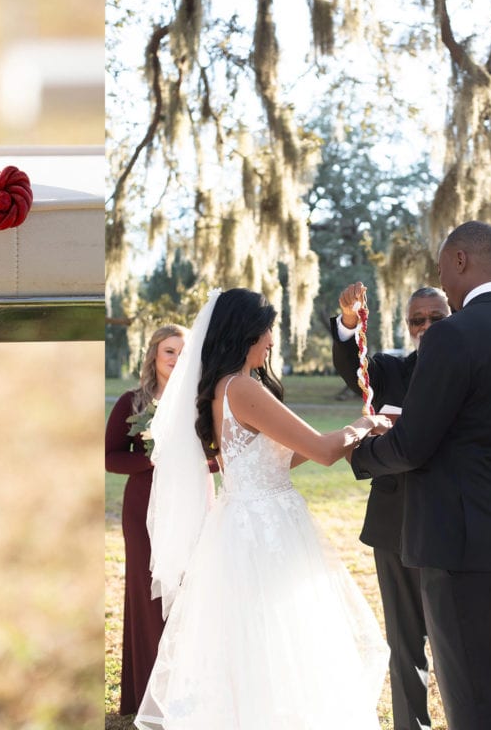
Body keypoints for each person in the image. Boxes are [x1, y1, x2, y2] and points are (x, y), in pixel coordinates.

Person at [135, 288, 392, 730]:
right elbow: (324, 452)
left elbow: (286, 454)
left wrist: (342, 434)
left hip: (241, 523)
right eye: (268, 330)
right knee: (282, 645)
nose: (272, 340)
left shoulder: (221, 388)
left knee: (254, 644)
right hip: (265, 528)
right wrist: (366, 424)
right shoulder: (243, 389)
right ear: (246, 334)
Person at [349, 221, 491, 729]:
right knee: (485, 682)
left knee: (474, 703)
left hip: (454, 543)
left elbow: (414, 445)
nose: (441, 277)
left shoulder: (451, 335)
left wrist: (361, 451)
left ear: (460, 260)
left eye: (443, 267)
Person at [330, 282, 450, 730]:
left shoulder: (472, 366)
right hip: (394, 521)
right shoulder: (389, 369)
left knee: (456, 640)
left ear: (453, 316)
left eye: (435, 318)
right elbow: (352, 367)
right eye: (417, 319)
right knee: (405, 640)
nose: (425, 327)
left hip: (451, 520)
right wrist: (348, 321)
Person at [105, 324, 189, 716]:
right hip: (143, 506)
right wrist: (150, 459)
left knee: (187, 592)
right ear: (154, 355)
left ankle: (185, 689)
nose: (175, 359)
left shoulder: (199, 401)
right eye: (169, 351)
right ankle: (147, 695)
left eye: (182, 352)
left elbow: (214, 454)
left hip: (189, 504)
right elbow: (109, 456)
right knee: (146, 592)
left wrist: (189, 462)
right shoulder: (133, 402)